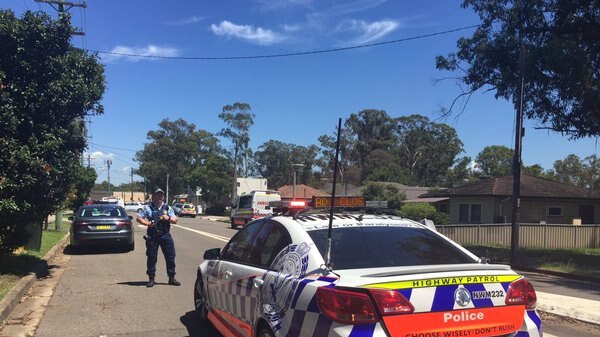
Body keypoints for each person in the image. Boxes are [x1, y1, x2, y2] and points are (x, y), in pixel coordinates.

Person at [137, 188, 180, 287]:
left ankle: (171, 277)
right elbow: (139, 218)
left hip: (165, 235)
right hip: (153, 236)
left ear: (163, 197)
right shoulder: (148, 207)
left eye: (161, 195)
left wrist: (168, 218)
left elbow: (175, 219)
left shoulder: (168, 208)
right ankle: (151, 278)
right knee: (152, 257)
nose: (159, 197)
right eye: (157, 195)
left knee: (170, 256)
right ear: (154, 196)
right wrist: (147, 223)